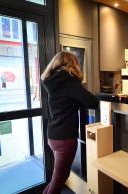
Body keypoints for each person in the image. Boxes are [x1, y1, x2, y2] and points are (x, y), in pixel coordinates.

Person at [41, 51, 99, 194]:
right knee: (59, 178)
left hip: (52, 135)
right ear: (73, 64)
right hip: (65, 138)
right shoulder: (69, 82)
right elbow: (92, 102)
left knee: (59, 176)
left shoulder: (52, 81)